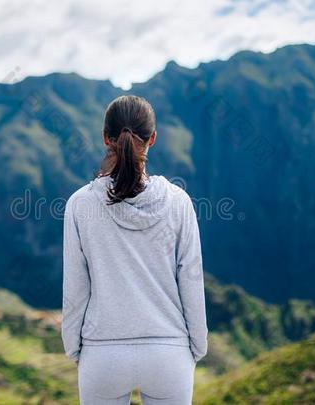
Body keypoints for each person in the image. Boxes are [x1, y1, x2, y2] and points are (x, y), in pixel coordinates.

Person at [62, 95, 208, 404]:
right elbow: (191, 280)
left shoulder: (80, 204)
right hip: (169, 353)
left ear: (106, 138)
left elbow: (76, 287)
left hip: (102, 353)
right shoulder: (179, 202)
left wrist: (76, 349)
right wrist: (196, 347)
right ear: (152, 139)